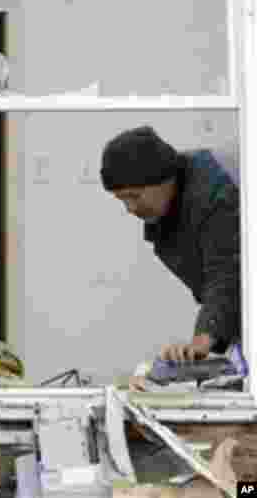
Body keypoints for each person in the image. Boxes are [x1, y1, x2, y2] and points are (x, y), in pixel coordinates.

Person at [100, 125, 240, 362]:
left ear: (163, 178)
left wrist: (201, 341)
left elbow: (227, 272)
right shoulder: (164, 219)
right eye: (122, 200)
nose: (130, 209)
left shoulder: (214, 190)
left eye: (135, 196)